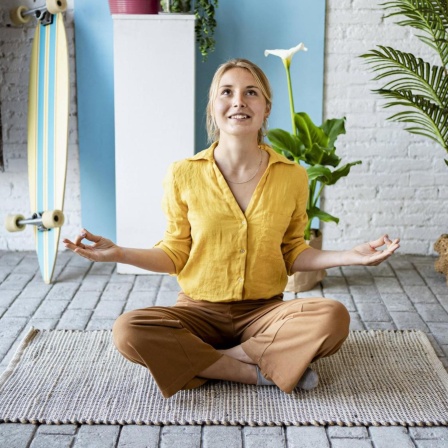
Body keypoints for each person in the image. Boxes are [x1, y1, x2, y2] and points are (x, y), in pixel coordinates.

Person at [64, 59, 400, 399]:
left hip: (266, 313)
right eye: (227, 92)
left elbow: (293, 252)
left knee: (332, 317)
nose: (239, 101)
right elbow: (174, 253)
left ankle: (207, 362)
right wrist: (119, 253)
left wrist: (349, 256)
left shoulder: (292, 176)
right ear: (214, 106)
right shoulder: (183, 173)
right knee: (128, 331)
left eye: (250, 92)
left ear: (266, 107)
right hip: (197, 312)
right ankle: (255, 371)